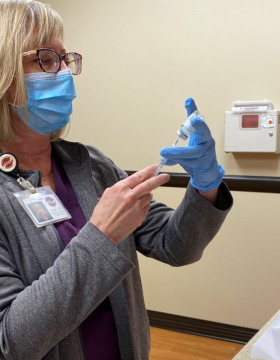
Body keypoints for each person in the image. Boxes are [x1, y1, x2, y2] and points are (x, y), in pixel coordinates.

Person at [0, 1, 233, 360]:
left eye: (66, 59)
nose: (63, 73)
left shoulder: (89, 165)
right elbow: (13, 342)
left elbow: (176, 246)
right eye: (45, 59)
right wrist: (102, 236)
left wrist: (205, 185)